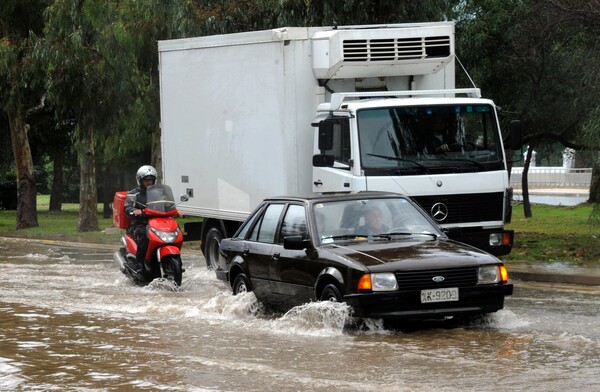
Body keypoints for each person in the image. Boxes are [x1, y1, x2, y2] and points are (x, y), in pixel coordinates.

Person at [124, 165, 158, 273]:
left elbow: (168, 205)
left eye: (151, 180)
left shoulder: (159, 193)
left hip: (157, 223)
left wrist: (176, 210)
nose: (149, 182)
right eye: (146, 180)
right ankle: (140, 265)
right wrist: (134, 211)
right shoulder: (134, 193)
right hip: (139, 223)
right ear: (140, 180)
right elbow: (127, 207)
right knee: (144, 234)